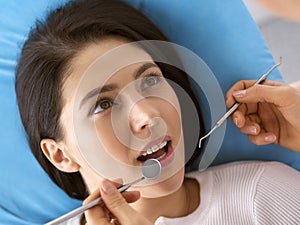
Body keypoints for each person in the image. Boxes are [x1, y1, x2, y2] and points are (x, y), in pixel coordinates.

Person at [15, 0, 300, 224]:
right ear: (60, 155)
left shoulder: (263, 195)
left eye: (150, 79)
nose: (148, 116)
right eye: (103, 104)